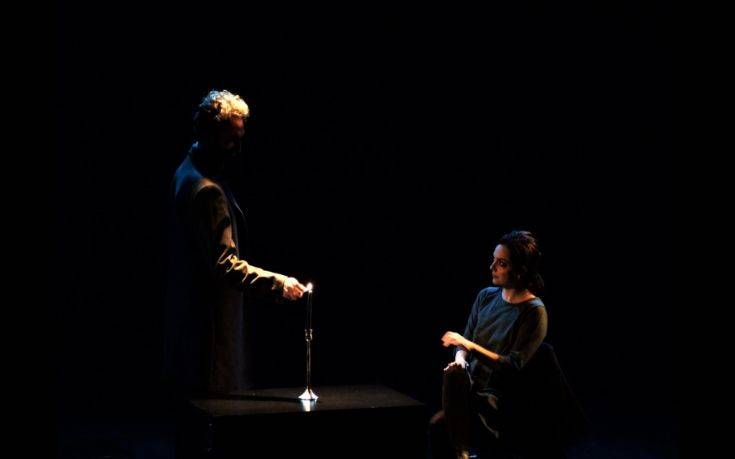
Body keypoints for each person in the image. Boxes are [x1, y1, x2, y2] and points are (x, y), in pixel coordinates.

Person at [164, 89, 306, 397]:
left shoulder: (185, 170)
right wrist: (278, 283)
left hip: (190, 328)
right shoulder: (206, 190)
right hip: (211, 337)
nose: (237, 150)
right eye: (230, 141)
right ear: (209, 135)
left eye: (240, 139)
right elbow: (225, 266)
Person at [431, 230, 548, 459]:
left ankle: (462, 451)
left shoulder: (534, 312)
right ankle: (462, 451)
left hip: (498, 398)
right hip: (470, 389)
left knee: (443, 426)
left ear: (520, 270)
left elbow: (512, 366)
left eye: (502, 263)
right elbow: (464, 344)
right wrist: (460, 361)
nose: (492, 267)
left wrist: (467, 344)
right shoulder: (486, 296)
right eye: (494, 260)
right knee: (451, 381)